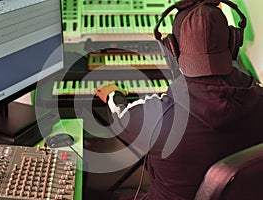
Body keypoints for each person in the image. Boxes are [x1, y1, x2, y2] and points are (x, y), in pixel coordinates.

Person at [95, 0, 263, 199]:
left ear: (172, 49)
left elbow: (121, 116)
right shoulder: (259, 99)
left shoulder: (159, 118)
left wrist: (112, 93)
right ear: (233, 42)